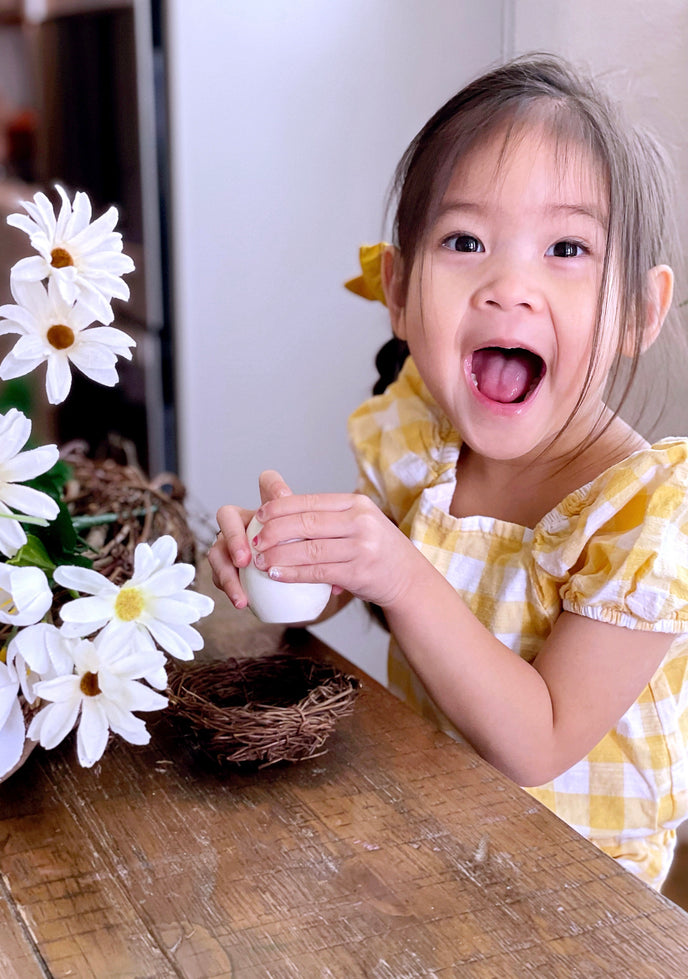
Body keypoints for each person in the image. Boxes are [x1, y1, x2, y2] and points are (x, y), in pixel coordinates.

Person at [208, 53, 688, 889]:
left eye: (568, 247)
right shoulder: (424, 437)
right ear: (398, 289)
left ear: (640, 312)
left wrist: (399, 572)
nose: (510, 286)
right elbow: (366, 571)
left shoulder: (644, 517)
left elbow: (540, 740)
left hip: (577, 896)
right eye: (465, 240)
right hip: (425, 823)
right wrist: (301, 561)